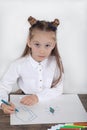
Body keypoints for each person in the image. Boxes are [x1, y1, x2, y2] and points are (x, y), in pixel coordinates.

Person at [0, 16, 64, 114]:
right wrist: (2, 104)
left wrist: (37, 97)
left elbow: (58, 89)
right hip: (23, 104)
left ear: (53, 45)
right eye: (37, 44)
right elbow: (3, 87)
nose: (42, 50)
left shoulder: (56, 62)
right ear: (29, 42)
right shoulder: (18, 65)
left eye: (47, 45)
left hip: (48, 104)